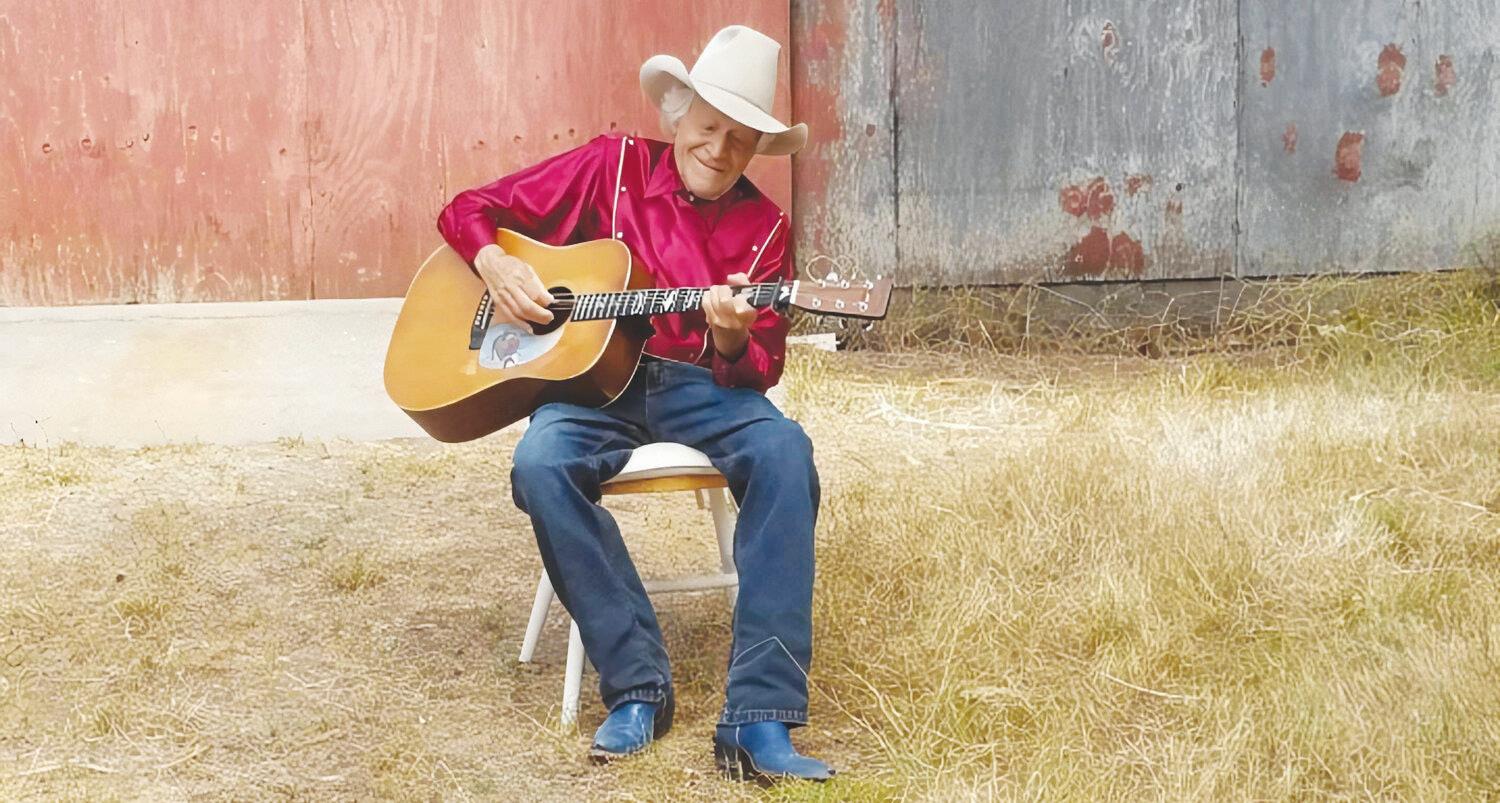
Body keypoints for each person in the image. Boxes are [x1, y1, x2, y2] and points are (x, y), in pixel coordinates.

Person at [435, 25, 834, 783]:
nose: (720, 149)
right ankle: (637, 686)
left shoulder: (766, 231)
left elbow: (762, 367)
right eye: (709, 127)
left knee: (785, 451)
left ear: (757, 148)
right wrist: (493, 263)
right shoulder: (609, 167)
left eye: (741, 140)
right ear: (678, 114)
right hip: (590, 386)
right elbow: (469, 208)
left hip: (702, 388)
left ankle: (760, 717)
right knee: (541, 463)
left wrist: (729, 338)